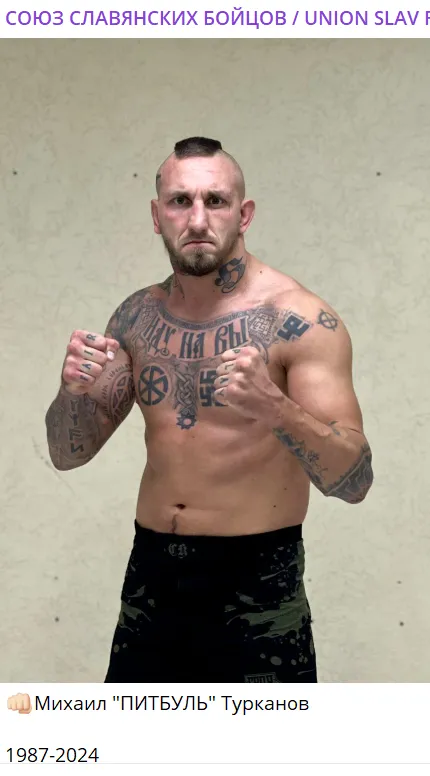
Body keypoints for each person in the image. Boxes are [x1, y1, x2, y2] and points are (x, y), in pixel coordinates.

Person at [45, 136, 374, 683]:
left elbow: (356, 480)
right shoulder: (135, 317)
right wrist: (72, 393)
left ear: (244, 214)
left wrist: (275, 409)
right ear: (158, 216)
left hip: (257, 582)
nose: (197, 219)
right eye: (181, 201)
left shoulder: (300, 320)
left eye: (215, 201)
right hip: (151, 576)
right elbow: (67, 453)